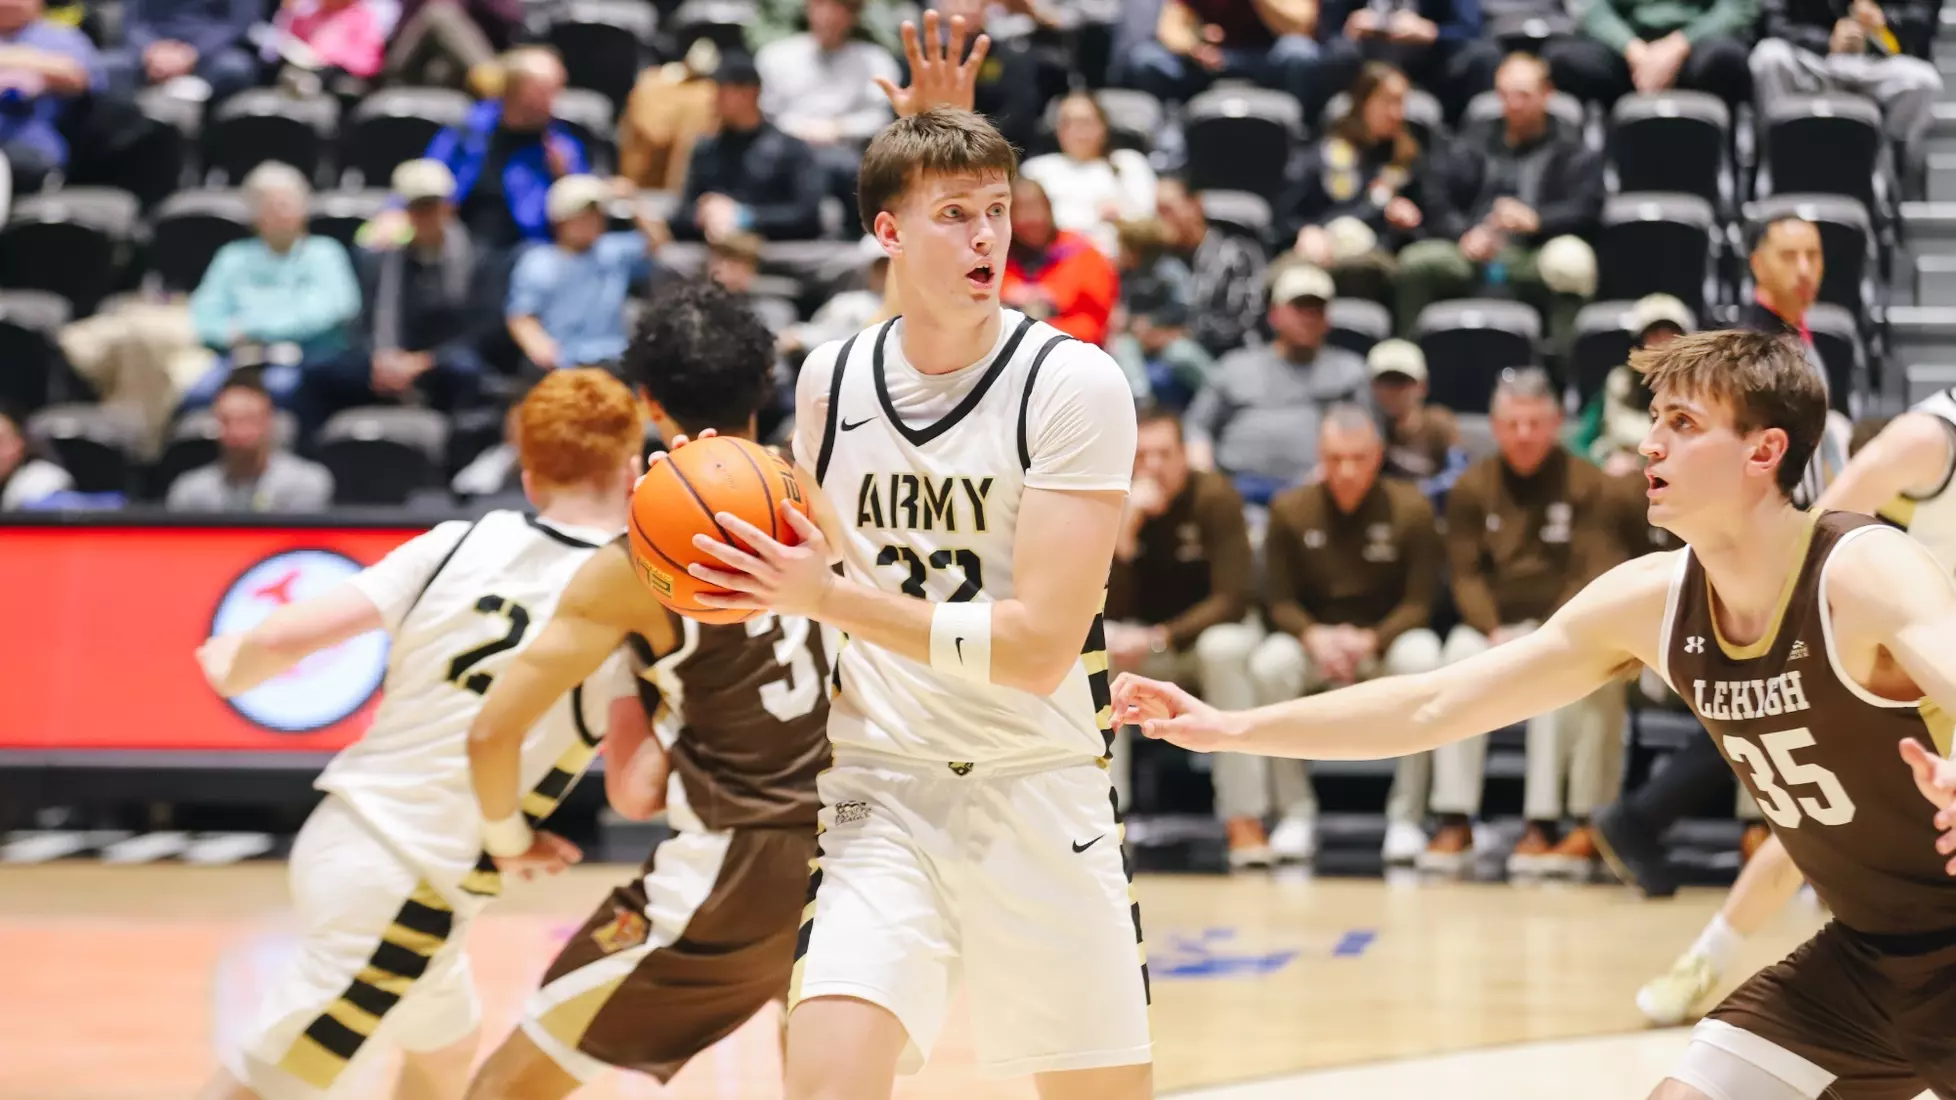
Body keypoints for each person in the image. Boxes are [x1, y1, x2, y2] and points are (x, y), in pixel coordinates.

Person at [1115, 328, 1956, 1100]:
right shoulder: (1650, 600)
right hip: (1864, 961)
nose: (1650, 441)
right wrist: (1235, 726)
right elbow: (1435, 703)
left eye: (1685, 423)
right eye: (1655, 417)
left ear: (1765, 450)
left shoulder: (1861, 570)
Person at [673, 15, 1153, 1097]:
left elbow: (1037, 649)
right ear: (887, 233)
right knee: (826, 1077)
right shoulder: (830, 380)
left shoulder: (1073, 387)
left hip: (1039, 782)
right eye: (954, 216)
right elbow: (796, 572)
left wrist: (830, 595)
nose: (987, 238)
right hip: (880, 790)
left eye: (996, 213)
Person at [189, 368, 646, 1100]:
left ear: (528, 477)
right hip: (413, 876)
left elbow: (281, 640)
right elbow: (634, 785)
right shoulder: (636, 601)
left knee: (445, 1043)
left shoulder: (460, 541)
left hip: (349, 832)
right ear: (634, 473)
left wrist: (229, 666)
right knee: (264, 1085)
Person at [461, 279, 832, 1100]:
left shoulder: (636, 560)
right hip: (854, 850)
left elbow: (492, 733)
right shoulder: (826, 497)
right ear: (766, 388)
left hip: (733, 869)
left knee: (500, 1091)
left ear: (647, 402)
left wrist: (508, 839)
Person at [1635, 386, 1956, 1026]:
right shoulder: (1928, 437)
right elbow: (1818, 534)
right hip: (1907, 664)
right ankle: (1706, 959)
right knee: (1821, 819)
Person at [1251, 404, 1444, 864]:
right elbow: (1278, 602)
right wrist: (1314, 637)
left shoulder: (1411, 509)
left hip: (1384, 640)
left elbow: (1420, 602)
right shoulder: (1289, 510)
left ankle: (1407, 817)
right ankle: (1294, 813)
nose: (1346, 470)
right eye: (1335, 458)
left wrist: (1371, 640)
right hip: (1314, 641)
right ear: (1320, 456)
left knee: (1425, 660)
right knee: (1269, 664)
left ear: (1377, 456)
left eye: (1357, 458)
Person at [168, 374, 334, 512]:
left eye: (248, 420)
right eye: (227, 421)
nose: (238, 431)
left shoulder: (307, 481)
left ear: (268, 421)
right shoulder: (190, 491)